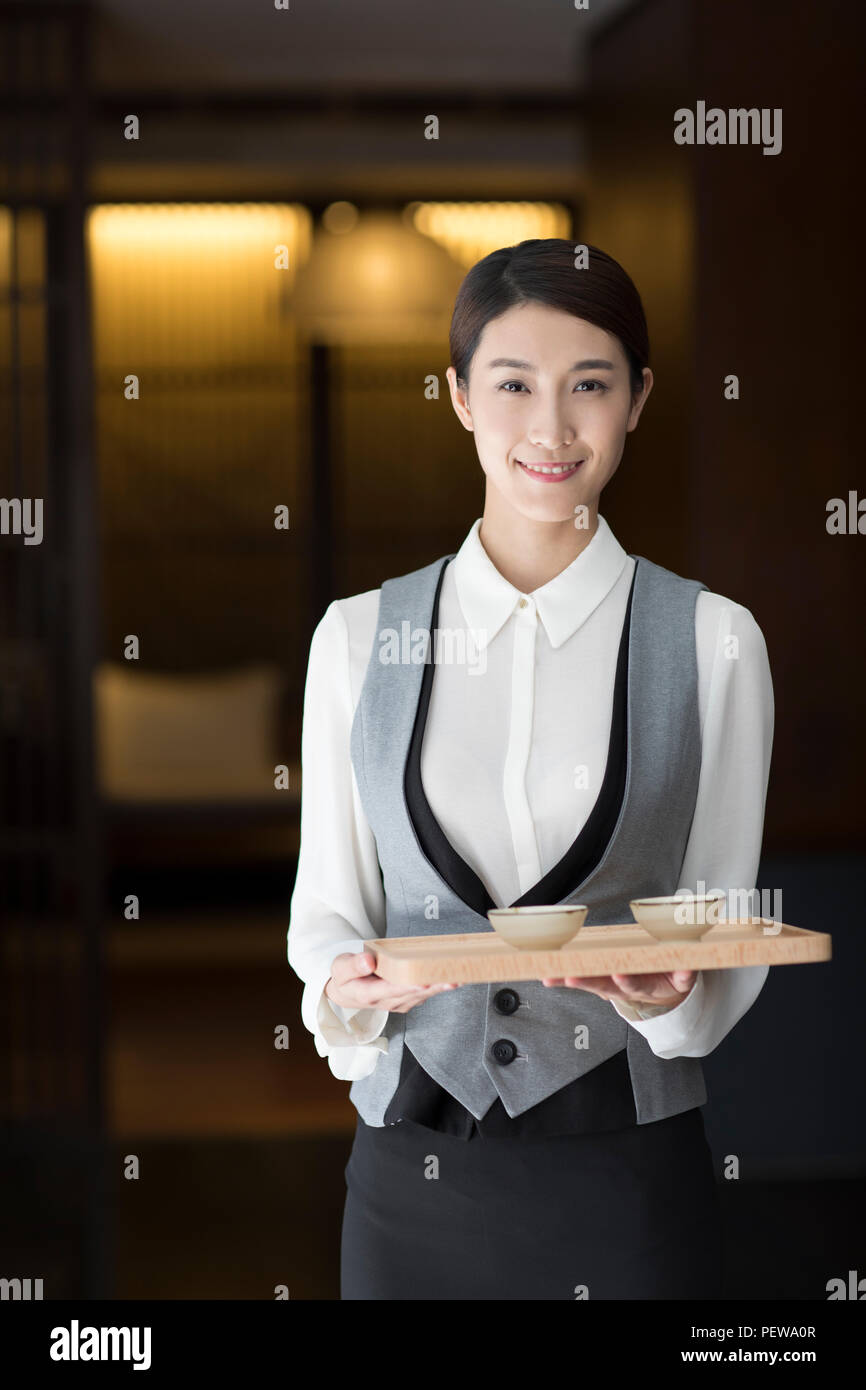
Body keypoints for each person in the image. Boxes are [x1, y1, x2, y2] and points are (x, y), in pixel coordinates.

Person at [287, 238, 774, 1300]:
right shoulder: (358, 635)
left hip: (626, 1176)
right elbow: (326, 908)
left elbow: (721, 914)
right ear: (459, 395)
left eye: (588, 386)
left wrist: (666, 999)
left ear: (637, 399)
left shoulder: (711, 640)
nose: (550, 428)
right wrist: (342, 982)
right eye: (512, 384)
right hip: (407, 1179)